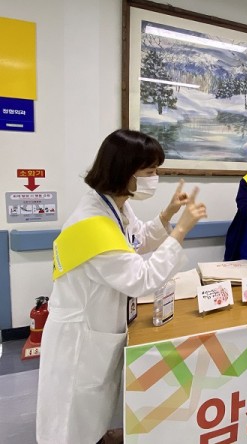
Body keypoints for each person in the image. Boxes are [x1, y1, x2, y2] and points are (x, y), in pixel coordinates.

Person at [36, 129, 208, 444]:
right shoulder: (90, 223)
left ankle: (98, 436)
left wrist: (169, 213)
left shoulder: (114, 205)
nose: (154, 179)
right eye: (149, 172)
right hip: (80, 335)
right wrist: (181, 229)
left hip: (100, 324)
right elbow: (142, 278)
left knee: (96, 399)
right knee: (73, 410)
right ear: (124, 171)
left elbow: (136, 240)